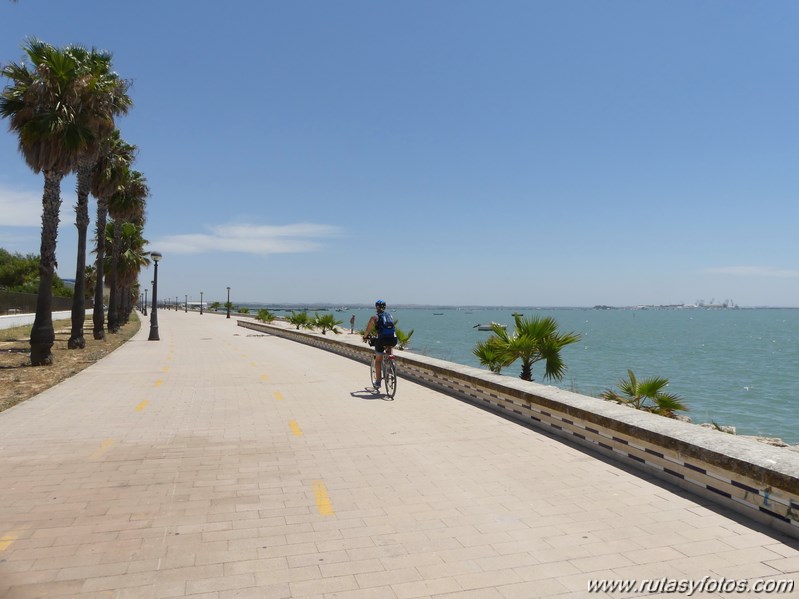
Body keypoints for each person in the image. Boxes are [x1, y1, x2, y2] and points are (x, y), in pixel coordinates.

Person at [362, 299, 397, 390]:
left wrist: (365, 337)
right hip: (393, 339)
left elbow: (368, 330)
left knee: (378, 360)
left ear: (376, 307)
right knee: (389, 347)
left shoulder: (374, 318)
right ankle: (390, 363)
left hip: (381, 340)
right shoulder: (390, 315)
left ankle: (378, 382)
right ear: (385, 307)